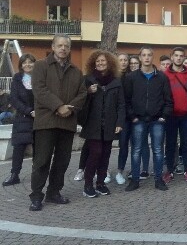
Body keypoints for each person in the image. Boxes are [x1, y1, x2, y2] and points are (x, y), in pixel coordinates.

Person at [29, 34, 87, 211]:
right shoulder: (40, 66)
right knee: (42, 160)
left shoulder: (76, 71)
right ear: (53, 47)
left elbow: (82, 94)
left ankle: (54, 192)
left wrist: (69, 108)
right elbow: (39, 90)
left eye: (66, 46)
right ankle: (36, 196)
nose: (63, 48)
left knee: (62, 161)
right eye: (60, 45)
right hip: (46, 122)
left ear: (69, 49)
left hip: (67, 123)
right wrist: (58, 106)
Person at [123, 46, 173, 192]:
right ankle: (135, 180)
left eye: (149, 55)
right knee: (136, 150)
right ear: (140, 58)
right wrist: (132, 117)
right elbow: (126, 100)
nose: (146, 58)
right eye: (143, 55)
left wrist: (164, 116)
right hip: (138, 119)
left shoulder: (162, 77)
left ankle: (159, 180)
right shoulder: (131, 77)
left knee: (158, 150)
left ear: (153, 57)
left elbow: (168, 99)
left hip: (157, 120)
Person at [79, 50, 125, 198]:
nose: (100, 63)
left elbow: (121, 104)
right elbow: (79, 101)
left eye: (103, 61)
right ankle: (87, 184)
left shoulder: (116, 81)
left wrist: (119, 122)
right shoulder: (88, 79)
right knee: (95, 153)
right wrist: (88, 92)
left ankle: (100, 183)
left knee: (106, 154)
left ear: (109, 63)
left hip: (109, 124)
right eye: (97, 61)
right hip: (93, 124)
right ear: (93, 63)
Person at [115, 52, 150, 184]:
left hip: (137, 116)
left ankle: (141, 170)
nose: (125, 63)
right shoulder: (120, 77)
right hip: (125, 117)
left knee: (140, 144)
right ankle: (120, 170)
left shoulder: (137, 77)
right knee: (123, 144)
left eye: (126, 60)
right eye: (122, 60)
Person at [2, 54, 36, 187]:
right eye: (24, 63)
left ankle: (37, 175)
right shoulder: (17, 78)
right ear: (21, 65)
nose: (27, 65)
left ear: (34, 64)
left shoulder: (39, 79)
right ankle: (14, 175)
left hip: (37, 118)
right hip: (22, 118)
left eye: (30, 62)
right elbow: (14, 99)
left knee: (38, 148)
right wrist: (29, 111)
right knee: (18, 148)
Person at [163, 47, 187, 183]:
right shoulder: (164, 75)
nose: (179, 58)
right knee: (170, 144)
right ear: (172, 57)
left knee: (186, 144)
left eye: (181, 56)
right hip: (170, 115)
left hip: (186, 115)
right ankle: (170, 170)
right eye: (176, 55)